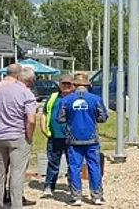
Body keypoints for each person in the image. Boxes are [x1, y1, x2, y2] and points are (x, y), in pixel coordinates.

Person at [0, 66, 37, 209]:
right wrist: (29, 137)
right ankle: (15, 205)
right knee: (17, 174)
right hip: (18, 136)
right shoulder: (27, 94)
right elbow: (31, 120)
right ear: (30, 81)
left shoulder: (0, 90)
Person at [57, 73, 108, 206]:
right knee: (94, 166)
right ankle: (96, 196)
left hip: (73, 139)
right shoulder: (95, 99)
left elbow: (60, 119)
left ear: (74, 85)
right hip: (91, 139)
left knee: (74, 167)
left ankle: (76, 197)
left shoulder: (66, 100)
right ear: (87, 85)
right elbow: (103, 117)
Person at [41, 74, 75, 196]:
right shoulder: (53, 97)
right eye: (63, 83)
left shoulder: (76, 98)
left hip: (72, 137)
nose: (66, 86)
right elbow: (45, 112)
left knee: (73, 164)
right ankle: (49, 186)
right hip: (54, 136)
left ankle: (73, 188)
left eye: (68, 84)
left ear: (73, 85)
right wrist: (43, 127)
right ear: (59, 84)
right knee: (53, 162)